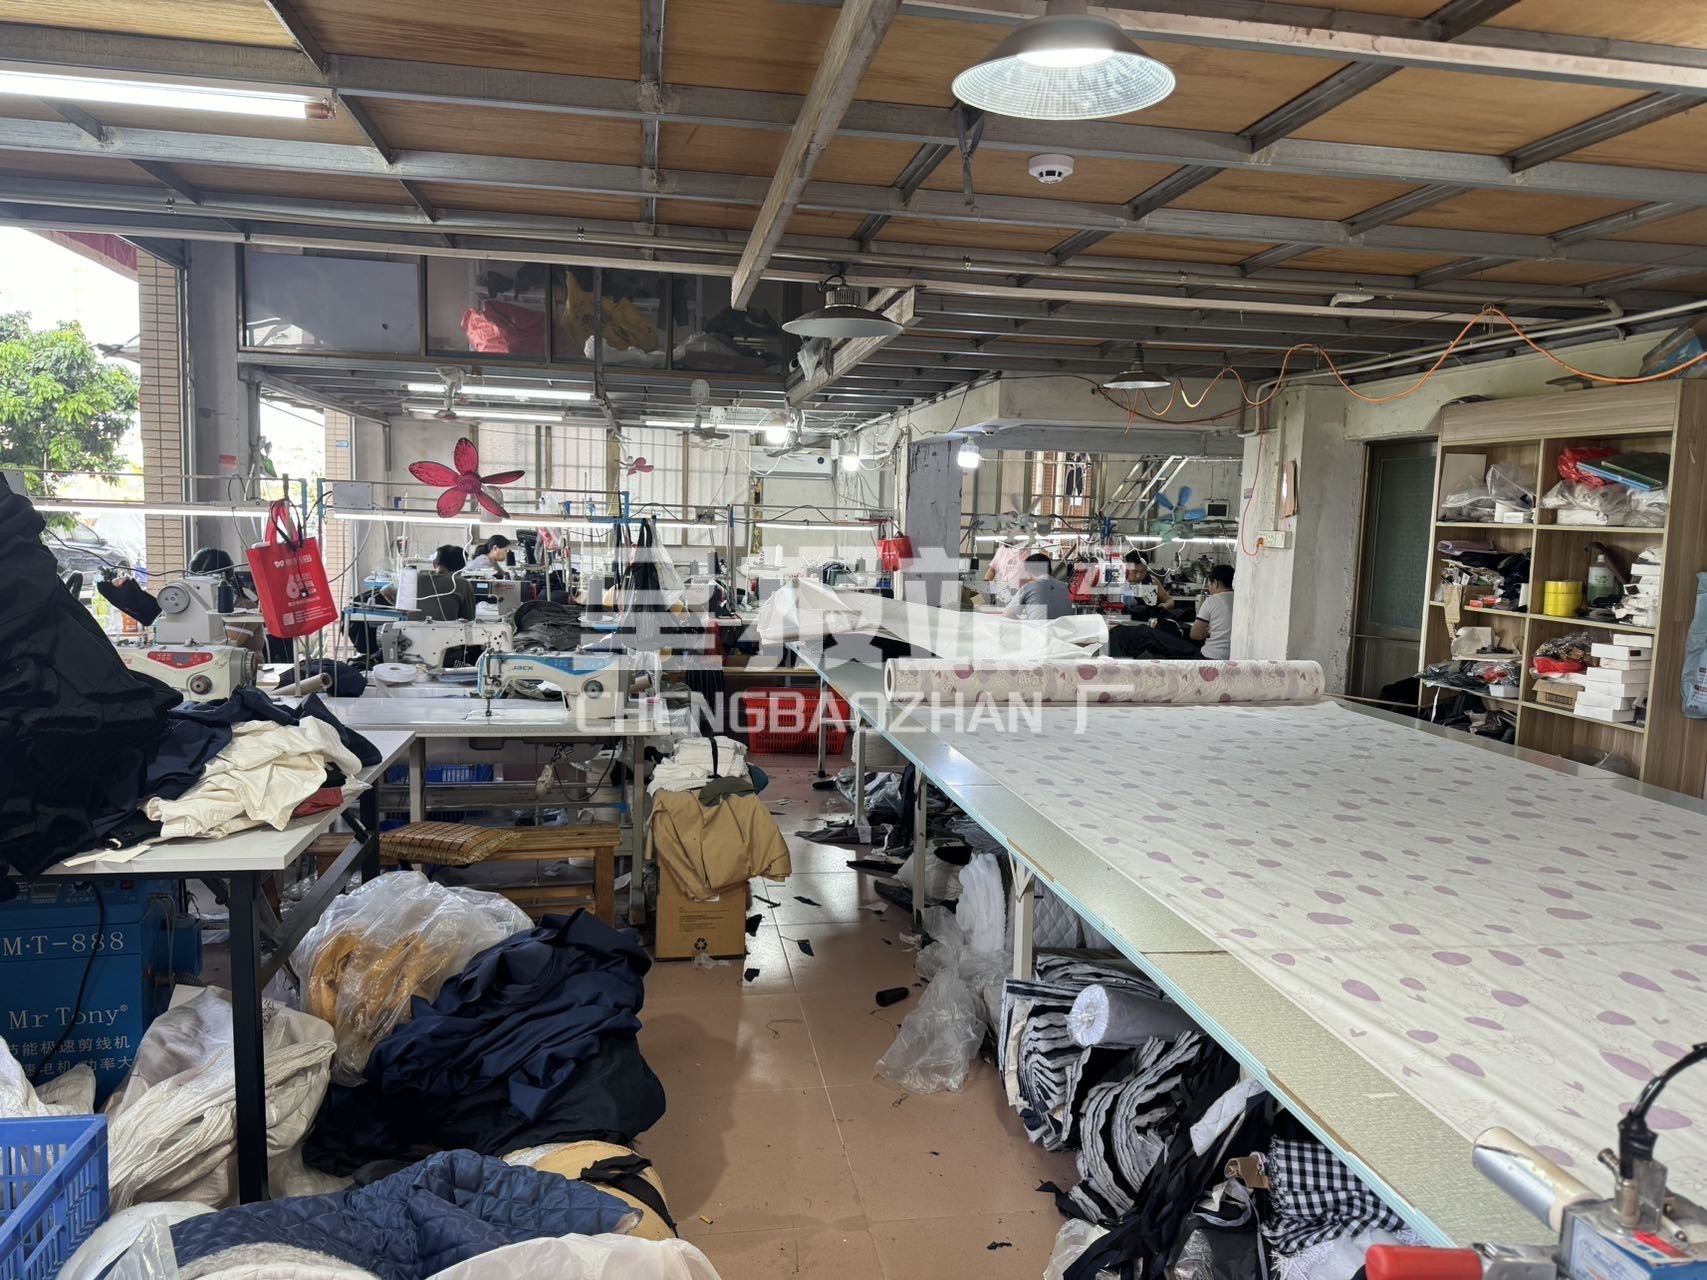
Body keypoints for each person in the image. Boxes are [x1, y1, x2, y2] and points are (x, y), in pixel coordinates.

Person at [1003, 552, 1073, 621]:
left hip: (1038, 628)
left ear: (1029, 571)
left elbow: (1008, 615)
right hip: (1065, 628)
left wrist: (1025, 623)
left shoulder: (1028, 587)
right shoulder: (1068, 587)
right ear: (1050, 569)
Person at [1191, 564, 1235, 660]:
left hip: (1213, 656)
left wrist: (1210, 632)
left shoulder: (1212, 601)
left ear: (1215, 583)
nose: (1209, 588)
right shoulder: (1242, 600)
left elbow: (1195, 634)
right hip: (1236, 657)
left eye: (1209, 584)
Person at [428, 544, 477, 621]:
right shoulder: (463, 583)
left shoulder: (416, 579)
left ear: (435, 564)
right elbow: (469, 618)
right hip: (449, 628)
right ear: (462, 567)